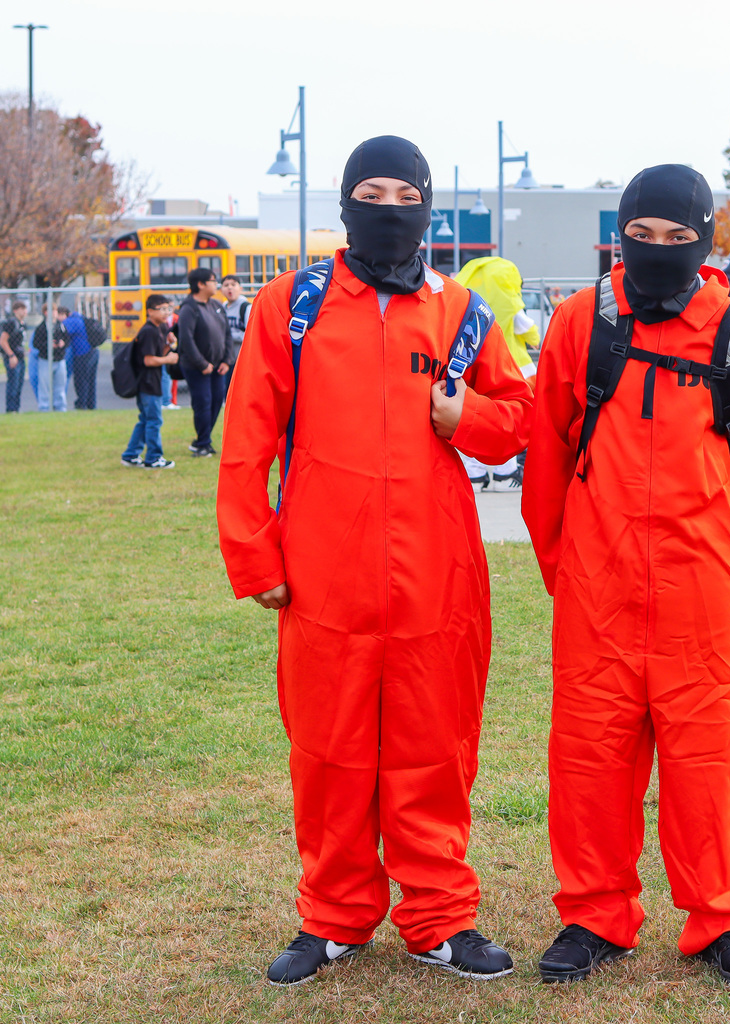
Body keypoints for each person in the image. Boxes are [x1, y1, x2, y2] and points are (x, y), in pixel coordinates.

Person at [217, 135, 532, 988]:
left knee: (436, 749)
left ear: (427, 207)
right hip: (324, 576)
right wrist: (254, 555)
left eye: (405, 195)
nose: (388, 209)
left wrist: (465, 419)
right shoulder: (293, 306)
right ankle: (333, 917)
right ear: (346, 204)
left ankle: (438, 919)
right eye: (371, 193)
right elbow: (247, 438)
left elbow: (520, 414)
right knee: (329, 752)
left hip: (437, 576)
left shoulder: (462, 312)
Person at [522, 164, 730, 987]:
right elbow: (547, 459)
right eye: (641, 236)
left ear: (703, 241)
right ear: (620, 236)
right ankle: (594, 913)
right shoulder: (581, 323)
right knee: (589, 759)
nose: (658, 250)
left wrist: (729, 579)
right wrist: (569, 567)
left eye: (678, 238)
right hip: (596, 594)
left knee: (710, 762)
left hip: (703, 598)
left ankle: (723, 916)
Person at [454, 256, 540, 489]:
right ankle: (505, 473)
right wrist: (533, 338)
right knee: (507, 421)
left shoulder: (466, 306)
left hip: (471, 370)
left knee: (474, 420)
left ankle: (475, 474)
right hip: (513, 368)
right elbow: (530, 331)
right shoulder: (510, 308)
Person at [120, 295, 179, 468]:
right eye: (162, 309)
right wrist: (168, 359)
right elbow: (148, 360)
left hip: (152, 381)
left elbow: (157, 353)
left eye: (168, 309)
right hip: (147, 382)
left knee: (146, 419)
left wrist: (169, 345)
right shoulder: (149, 331)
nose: (166, 312)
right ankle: (153, 458)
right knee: (154, 420)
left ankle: (131, 455)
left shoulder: (160, 328)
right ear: (150, 311)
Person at [176, 267, 230, 457]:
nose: (216, 284)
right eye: (213, 280)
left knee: (216, 401)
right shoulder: (188, 308)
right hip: (196, 367)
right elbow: (186, 339)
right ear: (200, 284)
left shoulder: (216, 305)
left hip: (218, 366)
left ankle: (202, 440)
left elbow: (226, 333)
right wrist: (202, 364)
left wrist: (226, 360)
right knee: (203, 403)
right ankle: (203, 444)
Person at [56, 306, 99, 410]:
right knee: (91, 380)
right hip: (93, 351)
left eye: (58, 316)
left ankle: (81, 404)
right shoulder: (80, 318)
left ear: (63, 314)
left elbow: (59, 332)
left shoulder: (69, 322)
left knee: (81, 380)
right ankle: (91, 404)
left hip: (83, 354)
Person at [33, 305, 69, 412]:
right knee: (44, 386)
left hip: (59, 359)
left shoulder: (61, 326)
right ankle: (44, 407)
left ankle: (60, 407)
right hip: (45, 360)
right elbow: (36, 344)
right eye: (51, 310)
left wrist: (62, 343)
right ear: (45, 312)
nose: (54, 313)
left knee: (60, 385)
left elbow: (67, 339)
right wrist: (48, 345)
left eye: (55, 310)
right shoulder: (41, 327)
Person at [220, 274, 250, 390]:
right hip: (226, 359)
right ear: (221, 289)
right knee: (227, 392)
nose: (230, 288)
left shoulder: (246, 307)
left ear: (240, 288)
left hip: (241, 359)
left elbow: (250, 334)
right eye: (226, 285)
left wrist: (228, 336)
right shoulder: (222, 308)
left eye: (233, 284)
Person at [0, 300, 28, 413]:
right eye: (22, 309)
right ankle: (11, 409)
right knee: (13, 384)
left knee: (19, 384)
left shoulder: (23, 324)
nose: (24, 311)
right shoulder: (11, 323)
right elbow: (3, 341)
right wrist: (11, 355)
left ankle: (16, 409)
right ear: (15, 310)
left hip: (20, 358)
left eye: (25, 309)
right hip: (12, 358)